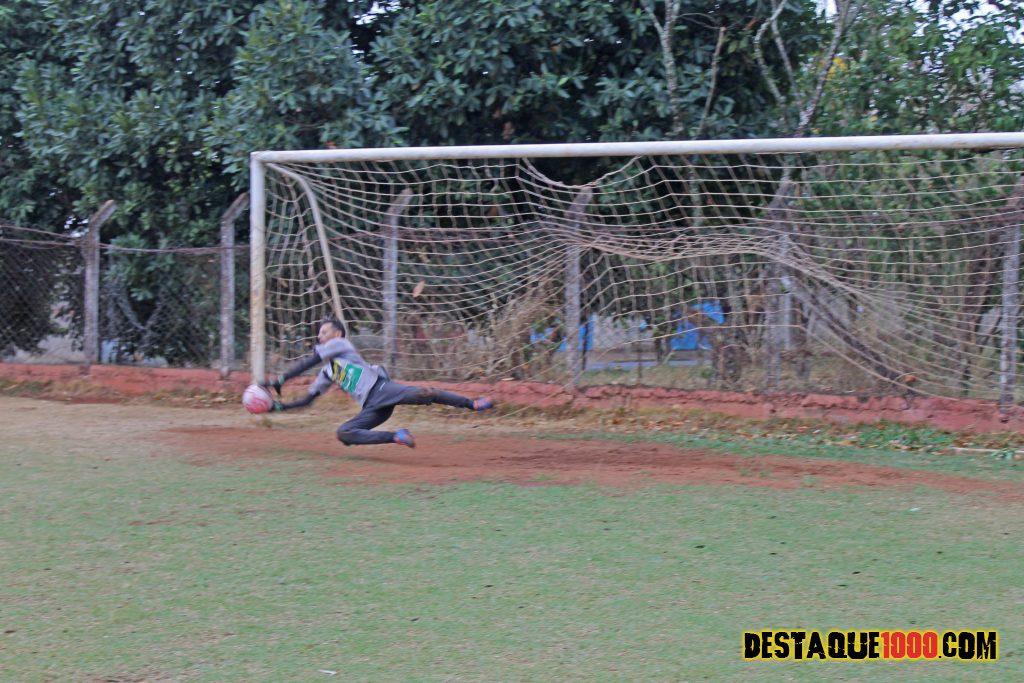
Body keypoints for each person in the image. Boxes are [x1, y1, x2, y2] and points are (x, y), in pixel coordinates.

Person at [261, 318, 493, 448]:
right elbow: (308, 401)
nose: (319, 337)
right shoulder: (327, 372)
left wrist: (279, 380)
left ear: (337, 334)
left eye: (324, 332)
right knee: (344, 433)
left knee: (425, 393)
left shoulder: (341, 345)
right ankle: (395, 436)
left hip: (381, 388)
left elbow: (310, 360)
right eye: (319, 333)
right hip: (372, 406)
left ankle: (471, 404)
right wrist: (277, 407)